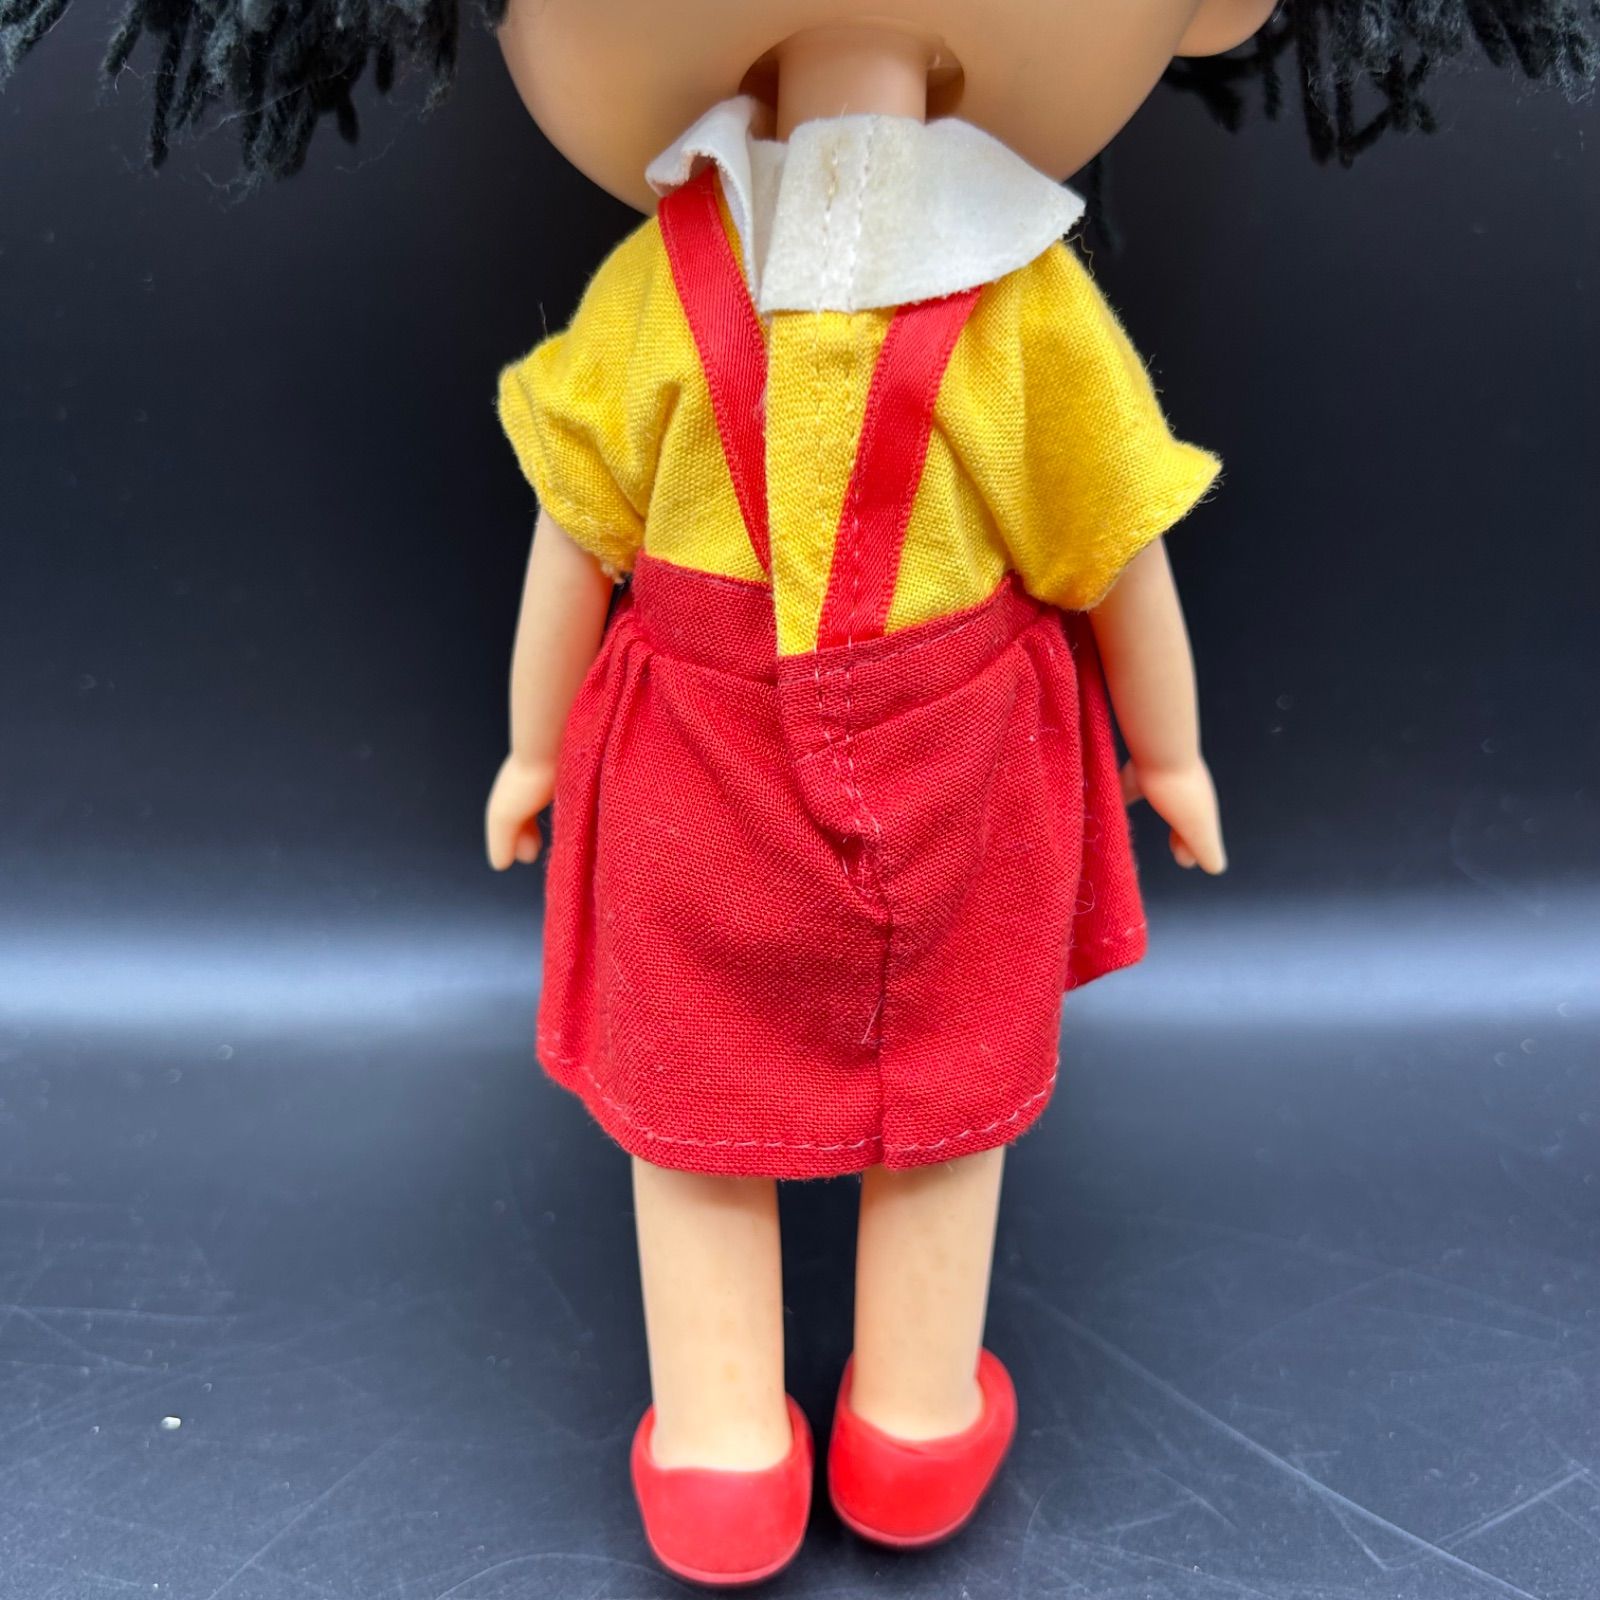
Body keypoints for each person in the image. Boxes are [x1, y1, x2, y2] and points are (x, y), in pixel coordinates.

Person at [7, 0, 1593, 1586]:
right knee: (944, 1104)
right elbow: (1120, 548)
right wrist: (1168, 751)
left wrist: (532, 748)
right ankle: (911, 1425)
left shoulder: (658, 285)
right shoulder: (1025, 296)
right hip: (958, 755)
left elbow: (575, 538)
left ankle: (722, 1457)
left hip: (699, 760)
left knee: (694, 1115)